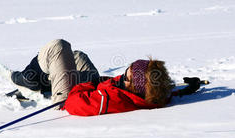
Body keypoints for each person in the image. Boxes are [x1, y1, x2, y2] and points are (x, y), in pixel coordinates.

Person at [11, 39, 200, 116]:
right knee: (78, 56)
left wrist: (88, 83)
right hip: (90, 85)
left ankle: (30, 77)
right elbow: (160, 95)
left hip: (67, 98)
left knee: (58, 47)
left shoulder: (110, 99)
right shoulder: (147, 92)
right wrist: (180, 89)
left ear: (132, 85)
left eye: (128, 73)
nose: (123, 73)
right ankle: (46, 80)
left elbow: (75, 104)